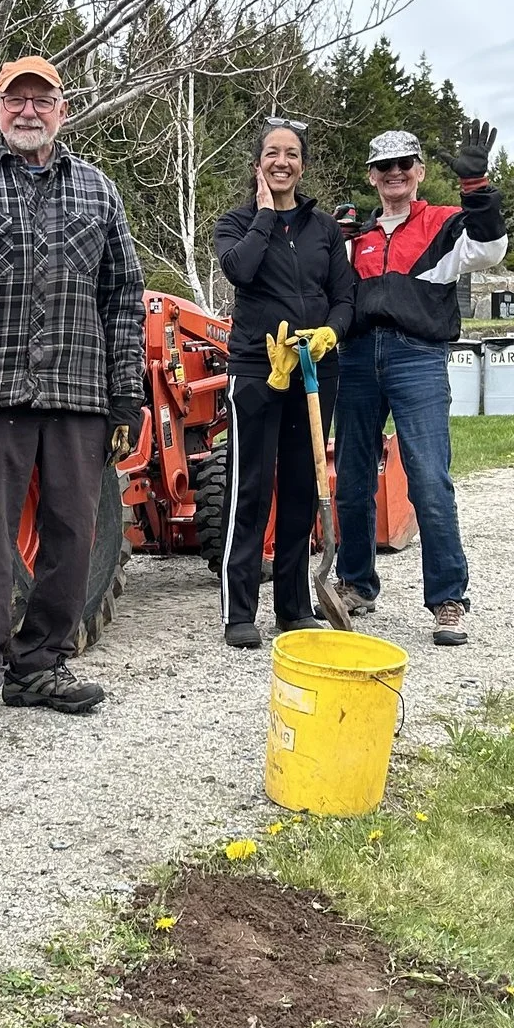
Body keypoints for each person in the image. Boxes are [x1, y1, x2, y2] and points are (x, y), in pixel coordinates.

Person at [0, 55, 146, 736]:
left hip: (78, 392)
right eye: (17, 100)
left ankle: (41, 664)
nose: (30, 111)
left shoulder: (99, 191)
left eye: (43, 100)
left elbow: (123, 300)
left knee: (73, 532)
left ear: (62, 110)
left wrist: (126, 396)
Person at [333, 123, 507, 645]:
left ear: (420, 173)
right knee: (353, 480)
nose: (395, 174)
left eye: (405, 164)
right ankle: (356, 584)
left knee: (430, 479)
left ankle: (447, 598)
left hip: (419, 358)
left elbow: (492, 248)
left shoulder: (446, 225)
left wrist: (476, 183)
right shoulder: (354, 236)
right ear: (371, 177)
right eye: (385, 166)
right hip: (358, 358)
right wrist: (332, 239)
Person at [212, 117, 356, 646]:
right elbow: (241, 271)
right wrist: (266, 218)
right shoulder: (236, 223)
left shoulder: (323, 231)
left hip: (315, 374)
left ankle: (294, 607)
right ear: (258, 164)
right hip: (258, 369)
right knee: (250, 488)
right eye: (272, 153)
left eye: (291, 154)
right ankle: (239, 611)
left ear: (302, 164)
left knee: (302, 488)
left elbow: (345, 296)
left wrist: (330, 334)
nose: (282, 162)